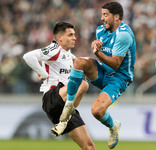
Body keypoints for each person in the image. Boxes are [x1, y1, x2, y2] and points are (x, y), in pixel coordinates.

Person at [55, 1, 137, 149]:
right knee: (79, 62)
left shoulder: (124, 35)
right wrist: (96, 45)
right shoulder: (101, 30)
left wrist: (97, 53)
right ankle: (69, 105)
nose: (102, 18)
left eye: (106, 15)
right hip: (102, 70)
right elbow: (102, 46)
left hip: (118, 78)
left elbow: (116, 63)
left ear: (117, 17)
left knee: (97, 111)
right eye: (102, 15)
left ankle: (113, 126)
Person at [23, 22, 95, 150]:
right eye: (70, 35)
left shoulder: (68, 54)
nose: (74, 37)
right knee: (83, 84)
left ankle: (64, 120)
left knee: (89, 147)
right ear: (60, 38)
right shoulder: (54, 49)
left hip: (65, 102)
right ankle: (66, 117)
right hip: (52, 98)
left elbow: (78, 61)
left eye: (74, 34)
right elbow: (28, 56)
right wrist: (43, 74)